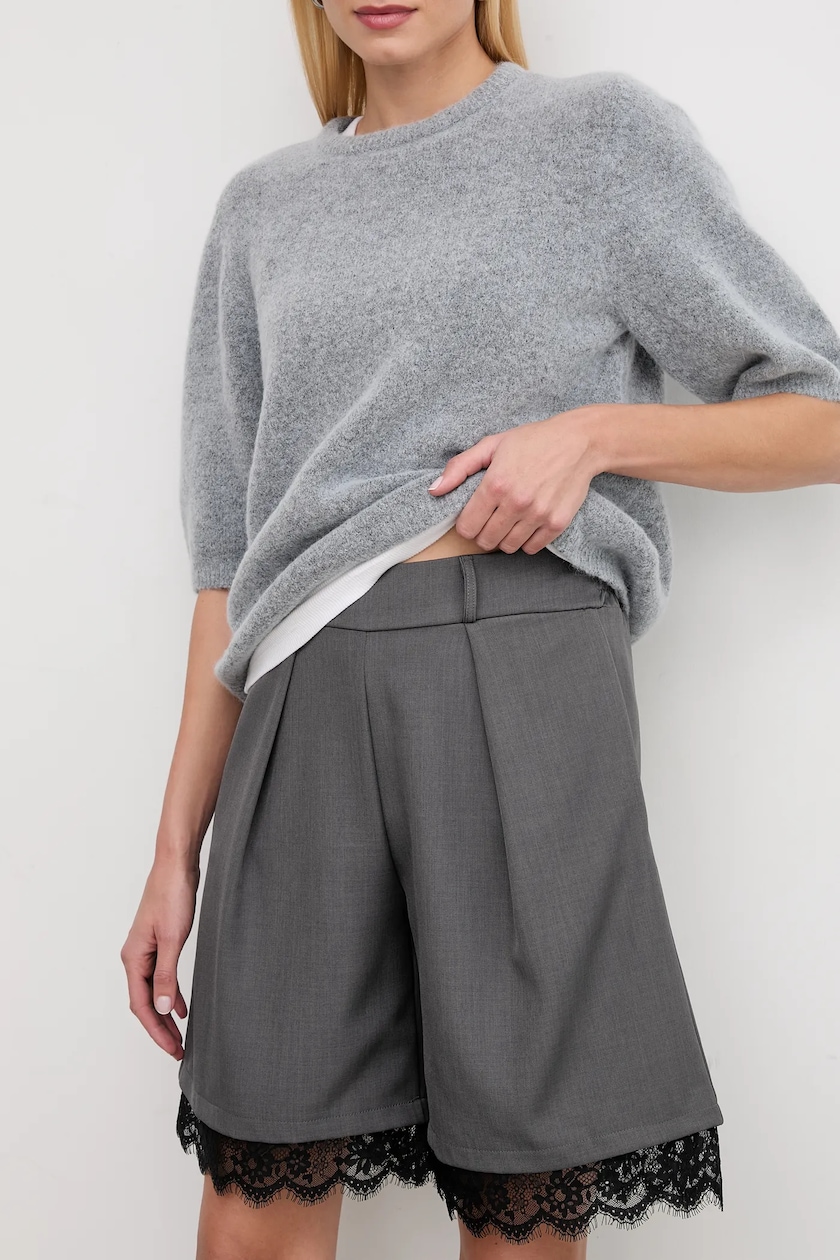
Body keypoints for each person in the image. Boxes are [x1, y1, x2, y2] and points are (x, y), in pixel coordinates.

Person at [120, 1, 840, 1256]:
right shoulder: (262, 209)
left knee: (522, 1202)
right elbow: (226, 564)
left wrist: (596, 436)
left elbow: (818, 412)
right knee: (254, 1205)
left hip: (524, 667)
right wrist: (176, 851)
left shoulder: (598, 138)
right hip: (300, 689)